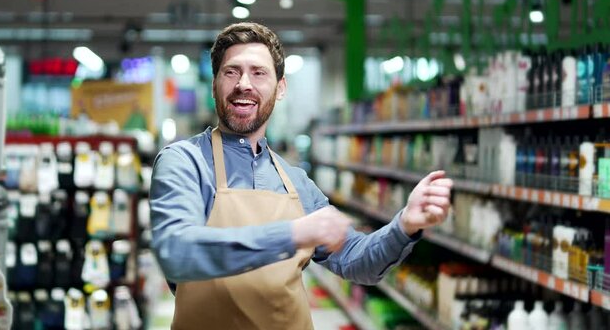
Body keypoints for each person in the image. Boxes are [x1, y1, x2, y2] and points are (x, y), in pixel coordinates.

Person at [149, 22, 453, 330]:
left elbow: (355, 260)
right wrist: (293, 234)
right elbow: (178, 251)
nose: (244, 84)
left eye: (258, 72)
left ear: (280, 88)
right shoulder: (185, 162)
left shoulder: (295, 181)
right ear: (214, 84)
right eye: (231, 71)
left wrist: (405, 225)